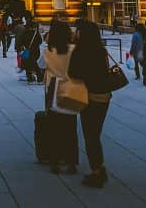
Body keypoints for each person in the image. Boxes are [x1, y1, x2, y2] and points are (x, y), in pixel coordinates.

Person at [68, 20, 113, 188]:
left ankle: (97, 172)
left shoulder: (80, 51)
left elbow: (73, 73)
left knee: (90, 136)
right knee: (96, 134)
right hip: (104, 97)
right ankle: (99, 168)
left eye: (78, 30)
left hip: (89, 97)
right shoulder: (101, 50)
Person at [43, 20, 79, 175]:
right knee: (70, 127)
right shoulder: (74, 50)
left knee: (53, 127)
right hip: (70, 88)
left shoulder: (48, 51)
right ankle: (71, 162)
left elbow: (39, 65)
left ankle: (55, 162)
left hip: (52, 89)